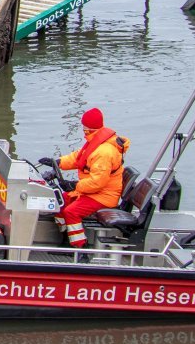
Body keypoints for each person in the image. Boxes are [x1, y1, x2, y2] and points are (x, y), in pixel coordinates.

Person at [39, 107, 129, 251]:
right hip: (93, 192)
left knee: (71, 212)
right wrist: (57, 162)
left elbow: (98, 182)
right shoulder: (96, 143)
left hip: (103, 196)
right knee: (59, 201)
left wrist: (75, 186)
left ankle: (79, 248)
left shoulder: (104, 152)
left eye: (84, 127)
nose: (83, 129)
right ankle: (66, 237)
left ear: (89, 128)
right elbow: (78, 158)